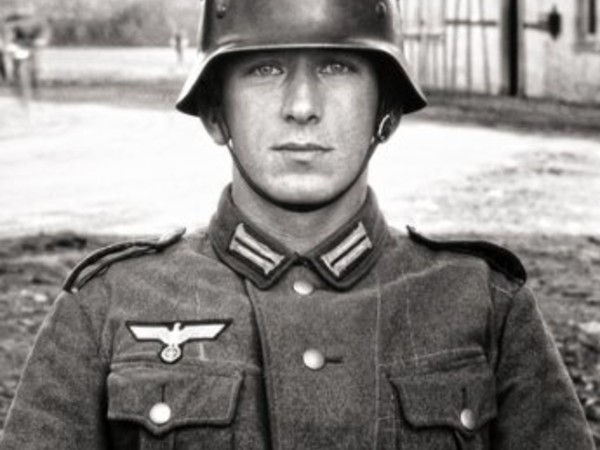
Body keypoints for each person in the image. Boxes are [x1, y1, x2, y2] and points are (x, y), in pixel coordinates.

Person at [0, 0, 595, 449]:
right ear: (214, 111)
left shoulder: (486, 303)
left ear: (385, 111)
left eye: (337, 67)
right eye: (263, 70)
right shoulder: (105, 307)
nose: (303, 105)